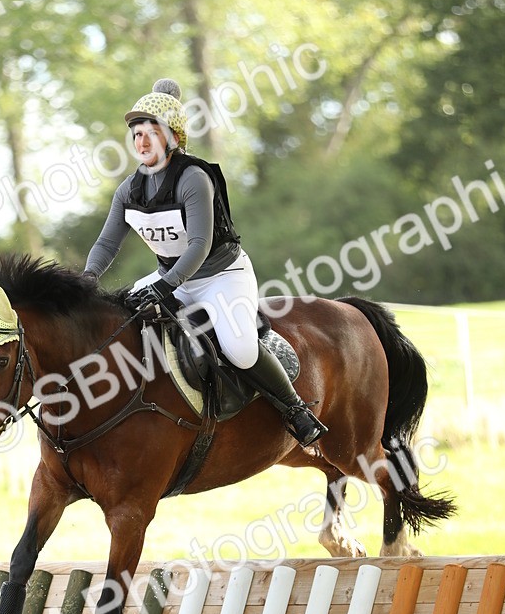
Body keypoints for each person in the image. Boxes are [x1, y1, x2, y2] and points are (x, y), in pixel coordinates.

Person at [83, 78, 328, 448]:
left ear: (173, 137)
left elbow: (199, 245)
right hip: (172, 277)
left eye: (152, 133)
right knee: (116, 324)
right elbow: (106, 243)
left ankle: (295, 409)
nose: (142, 142)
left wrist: (164, 287)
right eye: (137, 134)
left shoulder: (193, 178)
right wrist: (88, 278)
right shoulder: (128, 190)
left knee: (240, 349)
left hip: (221, 276)